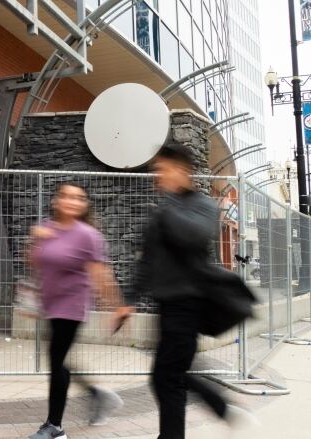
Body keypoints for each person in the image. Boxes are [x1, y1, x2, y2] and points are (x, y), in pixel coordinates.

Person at [115, 143, 257, 439]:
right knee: (172, 375)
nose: (158, 177)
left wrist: (168, 208)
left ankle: (217, 410)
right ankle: (220, 408)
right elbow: (149, 260)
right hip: (166, 305)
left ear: (182, 171)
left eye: (162, 170)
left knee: (167, 376)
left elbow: (194, 236)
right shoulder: (164, 210)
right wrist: (129, 301)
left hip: (190, 302)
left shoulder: (203, 205)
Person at [28, 182, 126, 439]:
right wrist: (37, 240)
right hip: (50, 303)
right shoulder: (47, 228)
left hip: (72, 304)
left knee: (56, 360)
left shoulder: (87, 235)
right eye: (67, 196)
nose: (72, 201)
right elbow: (36, 262)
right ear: (57, 201)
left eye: (78, 198)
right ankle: (99, 396)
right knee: (60, 361)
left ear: (84, 205)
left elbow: (101, 275)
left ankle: (55, 427)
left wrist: (116, 307)